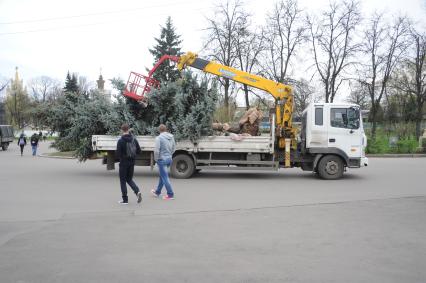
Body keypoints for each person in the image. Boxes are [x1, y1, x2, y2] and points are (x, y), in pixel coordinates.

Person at [116, 124, 142, 205]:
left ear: (122, 130)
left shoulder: (120, 141)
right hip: (132, 162)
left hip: (123, 163)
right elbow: (139, 151)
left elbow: (118, 154)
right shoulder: (134, 139)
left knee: (123, 181)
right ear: (128, 129)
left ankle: (125, 200)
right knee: (129, 179)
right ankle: (137, 191)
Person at [151, 124, 176, 200]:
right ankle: (157, 192)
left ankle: (170, 194)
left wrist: (156, 159)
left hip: (162, 160)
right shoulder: (171, 137)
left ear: (159, 130)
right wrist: (169, 154)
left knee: (165, 177)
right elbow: (174, 148)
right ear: (166, 129)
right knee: (162, 176)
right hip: (169, 159)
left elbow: (156, 150)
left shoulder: (159, 138)